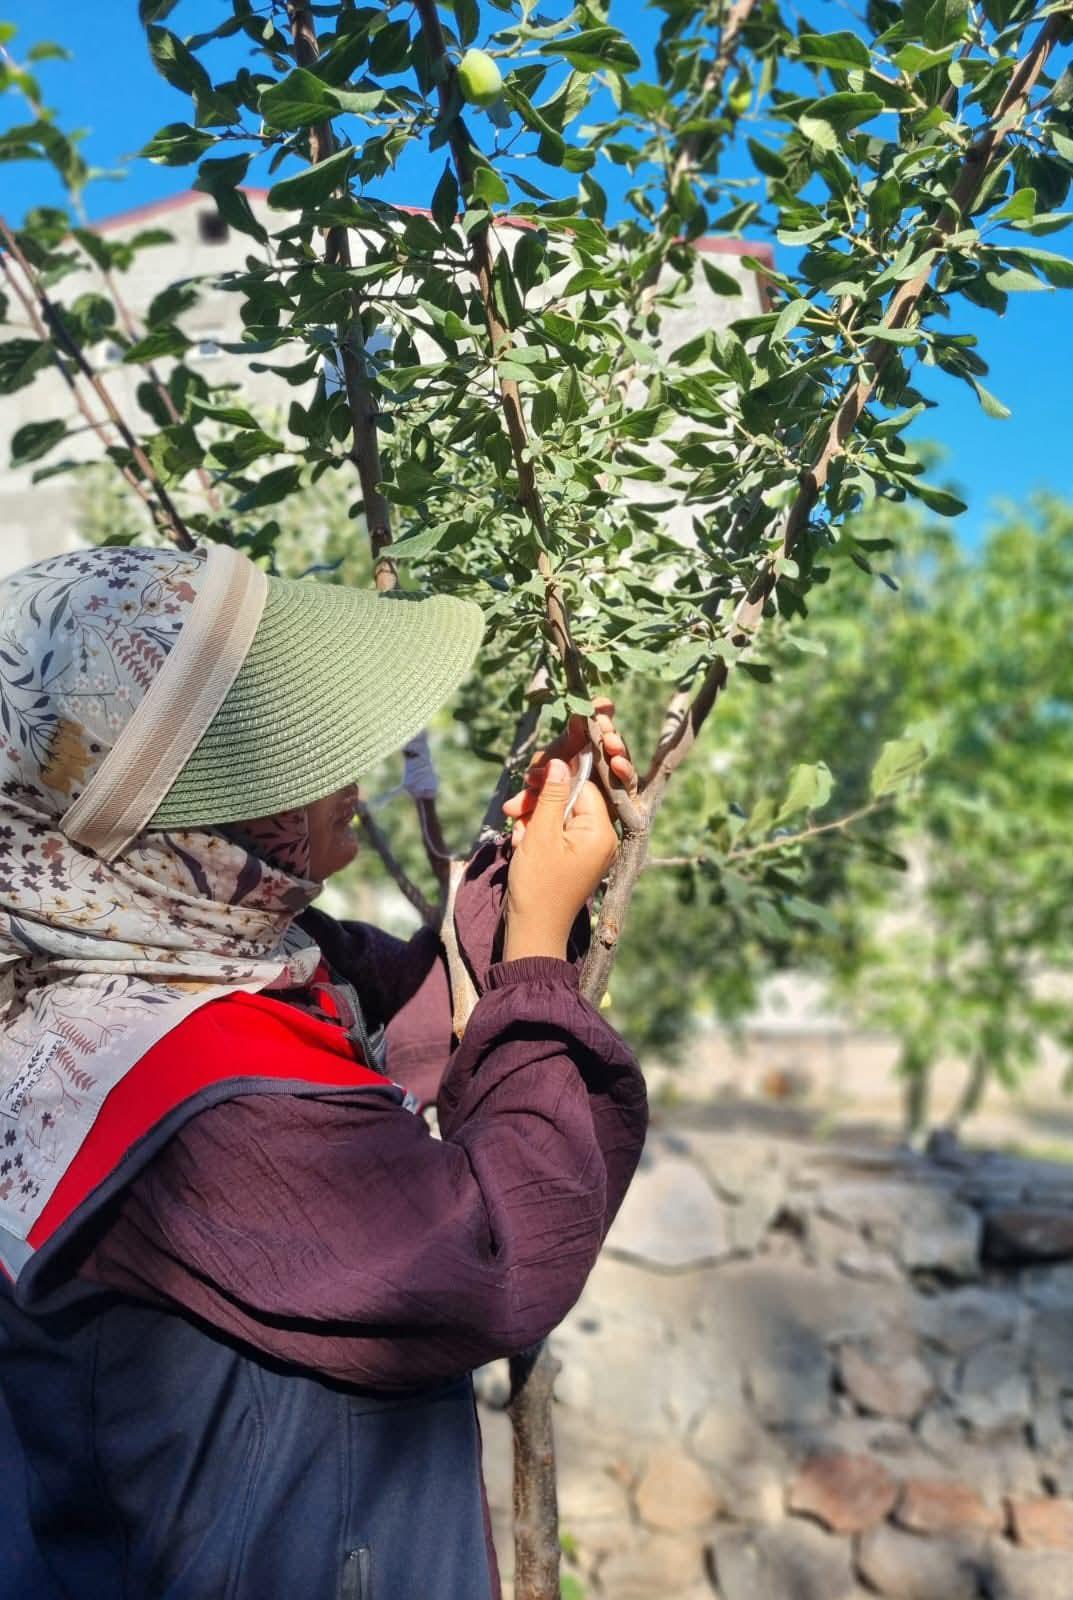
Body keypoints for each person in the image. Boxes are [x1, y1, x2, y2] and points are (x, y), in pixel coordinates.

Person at [0, 542, 648, 1600]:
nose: (352, 770)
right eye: (299, 757)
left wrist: (528, 877)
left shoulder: (154, 970)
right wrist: (534, 946)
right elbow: (500, 1252)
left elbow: (395, 1012)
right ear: (199, 827)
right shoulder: (208, 1100)